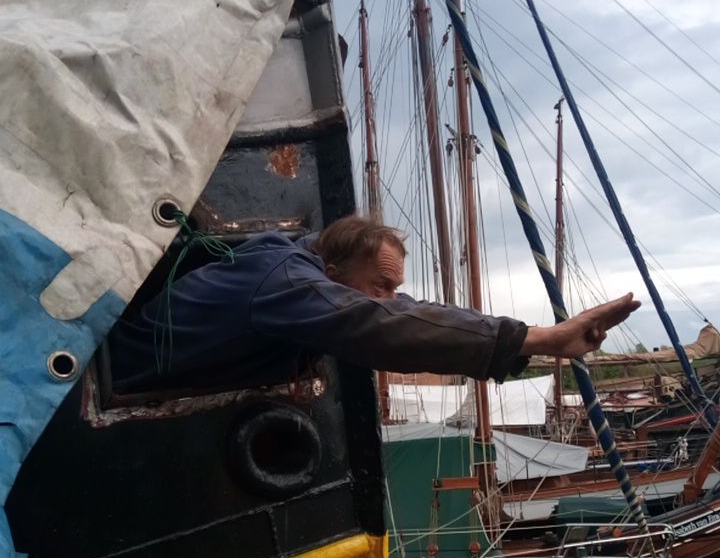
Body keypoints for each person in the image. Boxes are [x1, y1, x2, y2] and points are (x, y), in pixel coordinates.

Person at [109, 214, 640, 392]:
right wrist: (543, 338)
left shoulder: (298, 267)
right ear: (333, 273)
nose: (389, 299)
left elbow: (398, 308)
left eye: (393, 287)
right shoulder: (283, 280)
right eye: (379, 284)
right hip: (119, 383)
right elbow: (382, 324)